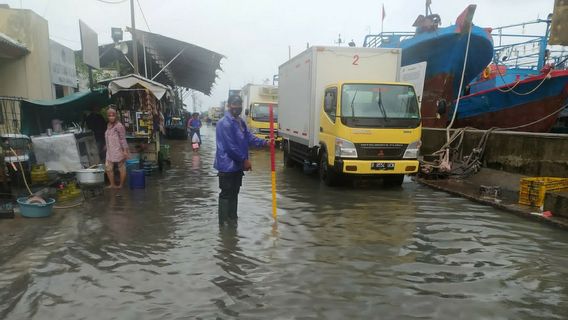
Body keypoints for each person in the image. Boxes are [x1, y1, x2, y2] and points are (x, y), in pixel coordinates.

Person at [214, 95, 268, 226]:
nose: (237, 107)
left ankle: (233, 221)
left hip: (237, 166)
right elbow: (230, 147)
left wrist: (265, 143)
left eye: (239, 104)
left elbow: (249, 137)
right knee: (226, 193)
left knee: (235, 192)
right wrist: (244, 160)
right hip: (226, 166)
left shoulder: (240, 122)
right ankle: (223, 224)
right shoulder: (224, 123)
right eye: (234, 104)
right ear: (228, 105)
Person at [105, 107, 129, 188]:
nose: (111, 117)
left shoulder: (119, 126)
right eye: (109, 115)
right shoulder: (108, 125)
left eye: (113, 115)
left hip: (119, 149)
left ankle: (121, 184)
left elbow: (123, 139)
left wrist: (125, 150)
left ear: (116, 116)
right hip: (109, 150)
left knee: (121, 166)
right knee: (108, 167)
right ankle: (112, 184)